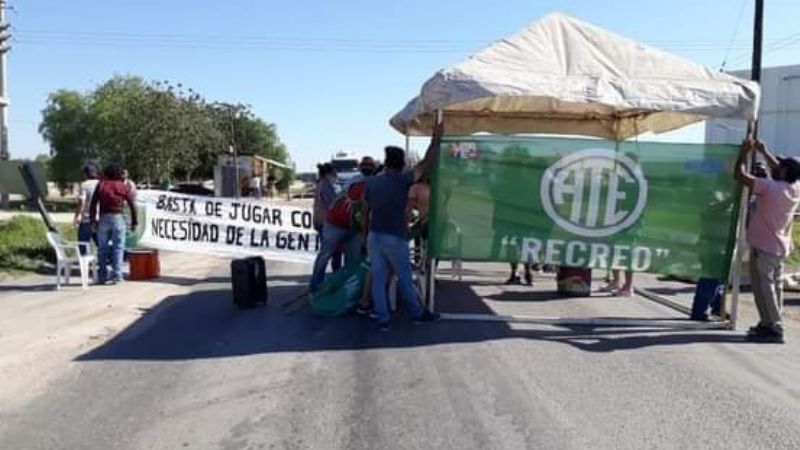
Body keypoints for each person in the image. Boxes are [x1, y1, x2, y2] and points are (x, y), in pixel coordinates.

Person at [361, 122, 444, 331]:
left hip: (374, 235)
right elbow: (426, 163)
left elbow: (364, 212)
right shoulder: (404, 181)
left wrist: (365, 236)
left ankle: (383, 318)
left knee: (379, 278)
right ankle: (418, 314)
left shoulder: (371, 183)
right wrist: (436, 138)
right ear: (402, 164)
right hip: (394, 236)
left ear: (386, 162)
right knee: (405, 277)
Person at [735, 139, 800, 343]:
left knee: (764, 288)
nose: (776, 166)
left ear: (784, 172)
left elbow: (739, 175)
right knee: (775, 287)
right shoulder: (794, 188)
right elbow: (779, 170)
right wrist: (764, 151)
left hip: (764, 247)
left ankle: (773, 327)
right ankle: (769, 321)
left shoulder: (769, 187)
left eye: (780, 166)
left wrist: (743, 153)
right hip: (779, 247)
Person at [308, 159, 375, 293]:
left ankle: (334, 285)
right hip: (338, 224)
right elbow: (363, 214)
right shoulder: (366, 184)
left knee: (340, 258)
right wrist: (364, 236)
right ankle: (323, 286)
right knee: (336, 256)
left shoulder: (355, 180)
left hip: (342, 224)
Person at [89, 164, 138, 285]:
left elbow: (93, 204)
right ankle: (117, 275)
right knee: (118, 247)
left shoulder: (101, 185)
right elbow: (132, 204)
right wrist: (134, 222)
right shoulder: (122, 186)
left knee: (102, 248)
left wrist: (93, 221)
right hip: (118, 217)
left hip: (104, 218)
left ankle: (102, 276)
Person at [312, 163, 342, 272]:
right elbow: (332, 204)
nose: (336, 175)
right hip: (326, 223)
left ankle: (320, 281)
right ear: (329, 173)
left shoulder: (321, 184)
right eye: (334, 172)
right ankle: (318, 283)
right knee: (329, 254)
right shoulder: (325, 186)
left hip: (322, 222)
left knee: (329, 254)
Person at [73, 164, 100, 255]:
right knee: (101, 245)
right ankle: (102, 265)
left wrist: (76, 217)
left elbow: (82, 202)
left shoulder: (84, 185)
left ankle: (84, 265)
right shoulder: (101, 183)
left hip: (87, 220)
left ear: (85, 174)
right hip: (100, 219)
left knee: (83, 244)